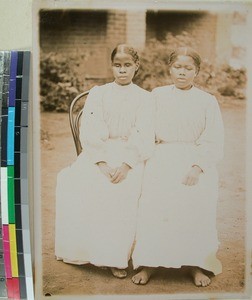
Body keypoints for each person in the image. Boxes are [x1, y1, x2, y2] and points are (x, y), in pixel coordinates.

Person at [55, 44, 154, 279]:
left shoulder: (145, 98)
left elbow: (144, 133)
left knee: (124, 188)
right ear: (112, 66)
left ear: (136, 67)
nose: (122, 71)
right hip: (100, 152)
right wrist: (100, 162)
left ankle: (115, 255)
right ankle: (90, 250)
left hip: (130, 154)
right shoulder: (99, 93)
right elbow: (89, 128)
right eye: (117, 65)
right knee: (77, 180)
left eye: (127, 65)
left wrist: (127, 164)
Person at [132, 47, 224, 287]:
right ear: (170, 68)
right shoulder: (157, 95)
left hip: (193, 159)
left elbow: (214, 138)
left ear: (197, 72)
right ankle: (149, 262)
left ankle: (195, 264)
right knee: (155, 207)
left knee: (193, 208)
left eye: (188, 68)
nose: (182, 73)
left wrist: (197, 167)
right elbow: (143, 127)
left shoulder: (207, 101)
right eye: (177, 67)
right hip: (161, 157)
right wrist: (151, 143)